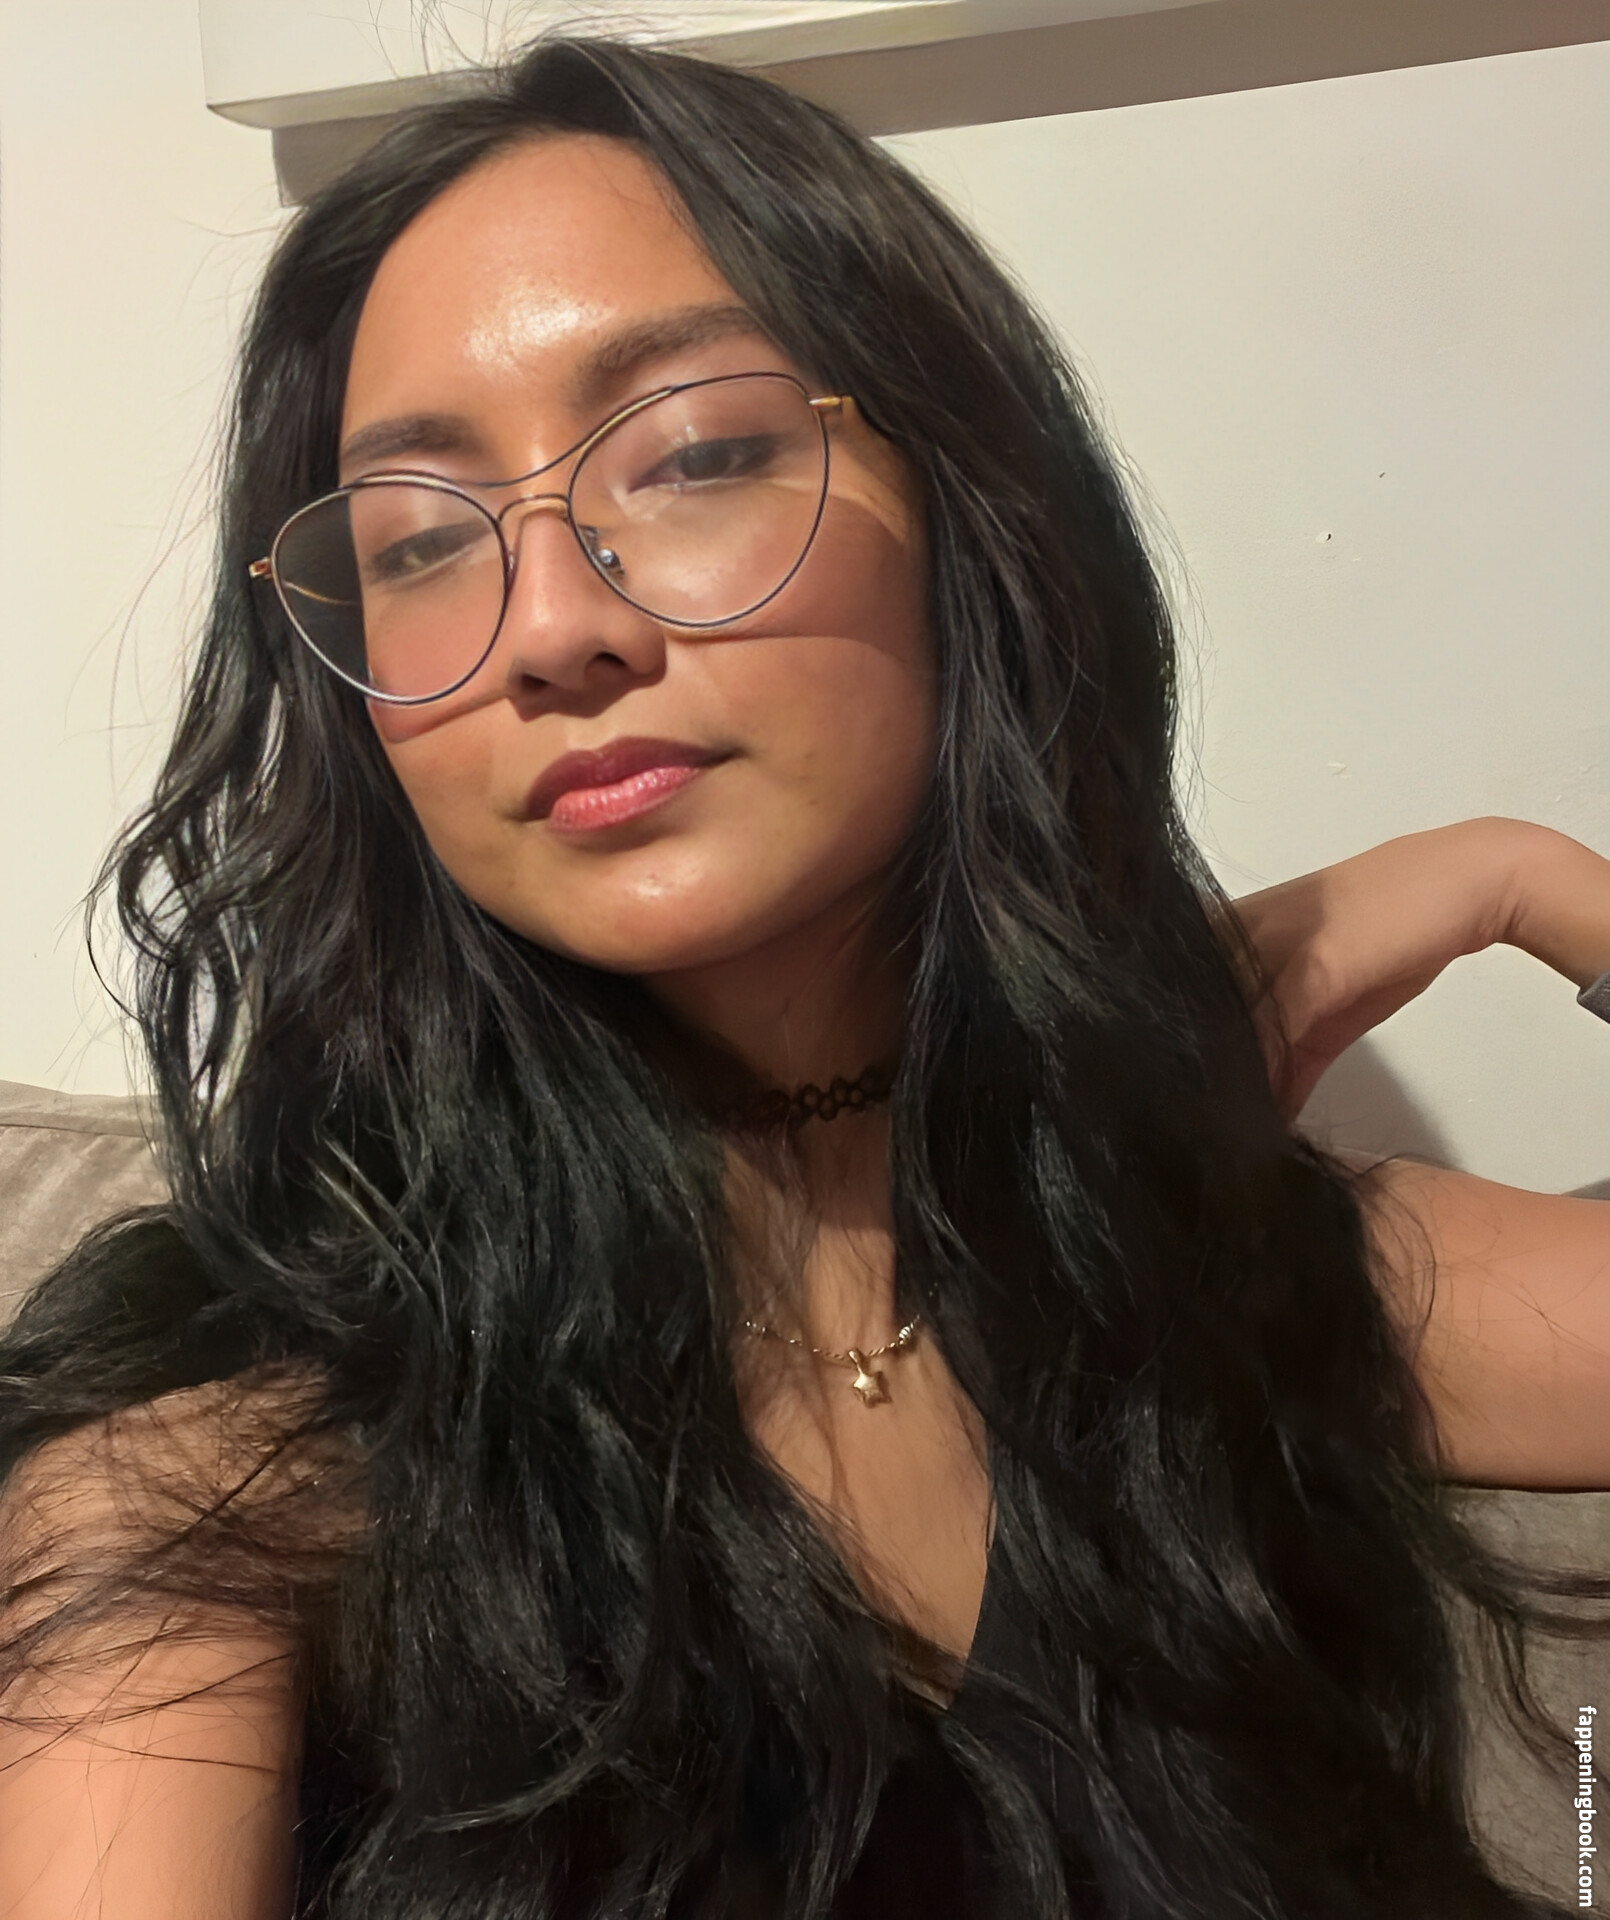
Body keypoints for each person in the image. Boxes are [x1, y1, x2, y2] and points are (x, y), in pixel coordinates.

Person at [1, 31, 1607, 1920]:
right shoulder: (216, 1456)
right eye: (418, 543)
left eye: (693, 456)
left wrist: (1504, 877)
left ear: (971, 518)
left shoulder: (1207, 1269)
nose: (550, 627)